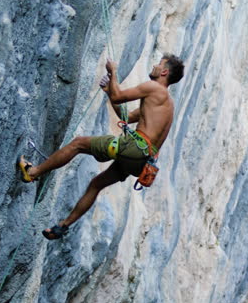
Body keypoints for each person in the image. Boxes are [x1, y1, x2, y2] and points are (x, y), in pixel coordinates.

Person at [18, 54, 185, 240]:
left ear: (164, 71)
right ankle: (62, 226)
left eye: (159, 64)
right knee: (96, 184)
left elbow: (119, 96)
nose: (154, 66)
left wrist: (113, 71)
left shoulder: (153, 88)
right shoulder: (166, 104)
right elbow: (126, 117)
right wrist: (109, 92)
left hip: (134, 148)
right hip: (141, 162)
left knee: (78, 143)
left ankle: (33, 172)